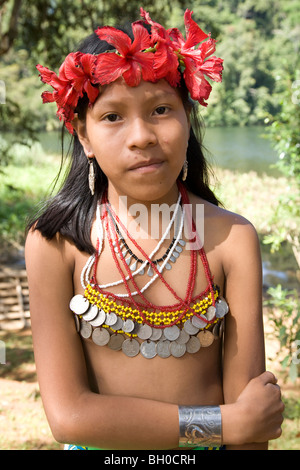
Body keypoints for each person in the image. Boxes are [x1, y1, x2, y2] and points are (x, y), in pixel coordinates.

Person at [25, 8, 284, 451]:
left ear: (188, 118)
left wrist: (240, 427)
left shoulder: (231, 240)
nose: (142, 136)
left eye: (161, 109)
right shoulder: (56, 244)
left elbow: (252, 428)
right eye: (112, 117)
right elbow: (69, 418)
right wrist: (222, 424)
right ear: (83, 136)